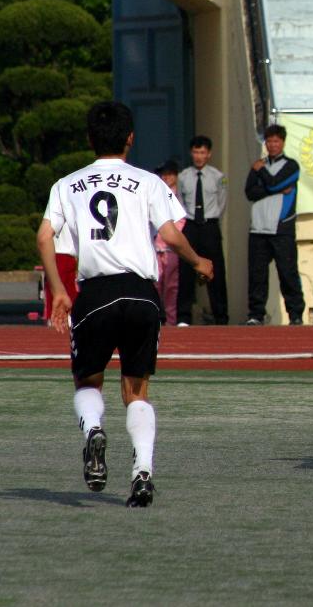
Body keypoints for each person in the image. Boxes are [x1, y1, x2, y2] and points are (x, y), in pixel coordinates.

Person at [37, 101, 213, 508]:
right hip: (141, 294)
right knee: (137, 390)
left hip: (95, 294)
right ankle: (143, 472)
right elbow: (169, 234)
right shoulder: (149, 182)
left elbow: (45, 237)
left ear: (88, 139)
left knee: (88, 381)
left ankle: (94, 431)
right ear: (130, 138)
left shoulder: (66, 184)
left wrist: (59, 288)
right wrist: (198, 261)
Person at [244, 124, 305, 326]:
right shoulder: (258, 165)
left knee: (287, 272)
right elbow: (250, 192)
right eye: (269, 141)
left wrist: (267, 182)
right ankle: (256, 314)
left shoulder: (291, 165)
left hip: (282, 228)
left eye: (276, 141)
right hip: (258, 228)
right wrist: (274, 188)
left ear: (283, 142)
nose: (272, 145)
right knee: (257, 275)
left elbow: (273, 183)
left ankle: (295, 314)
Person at [177, 135, 229, 325]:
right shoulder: (183, 177)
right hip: (191, 225)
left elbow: (222, 202)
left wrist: (212, 219)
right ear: (191, 153)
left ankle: (221, 316)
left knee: (216, 271)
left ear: (209, 154)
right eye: (196, 152)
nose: (199, 156)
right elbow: (180, 201)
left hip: (210, 226)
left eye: (203, 152)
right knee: (186, 270)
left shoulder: (218, 177)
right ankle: (183, 316)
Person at [156, 161, 189, 327]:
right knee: (156, 284)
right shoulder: (156, 194)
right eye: (163, 174)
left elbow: (181, 219)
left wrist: (172, 236)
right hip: (155, 247)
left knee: (171, 286)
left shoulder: (179, 195)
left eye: (169, 174)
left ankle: (171, 320)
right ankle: (155, 319)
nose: (166, 177)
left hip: (172, 247)